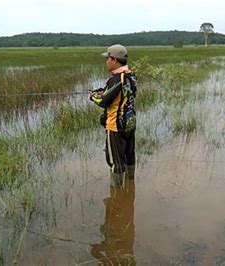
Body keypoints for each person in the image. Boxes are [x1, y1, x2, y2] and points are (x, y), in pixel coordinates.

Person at [90, 44, 137, 175]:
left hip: (115, 127)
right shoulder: (131, 76)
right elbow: (125, 95)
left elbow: (103, 102)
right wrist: (104, 91)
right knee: (129, 158)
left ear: (115, 60)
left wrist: (93, 96)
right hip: (130, 124)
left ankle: (118, 194)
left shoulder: (116, 79)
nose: (106, 62)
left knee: (115, 163)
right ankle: (130, 187)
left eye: (108, 59)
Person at [90, 176, 135, 264]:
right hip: (120, 235)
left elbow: (95, 251)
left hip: (115, 236)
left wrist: (100, 250)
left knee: (112, 217)